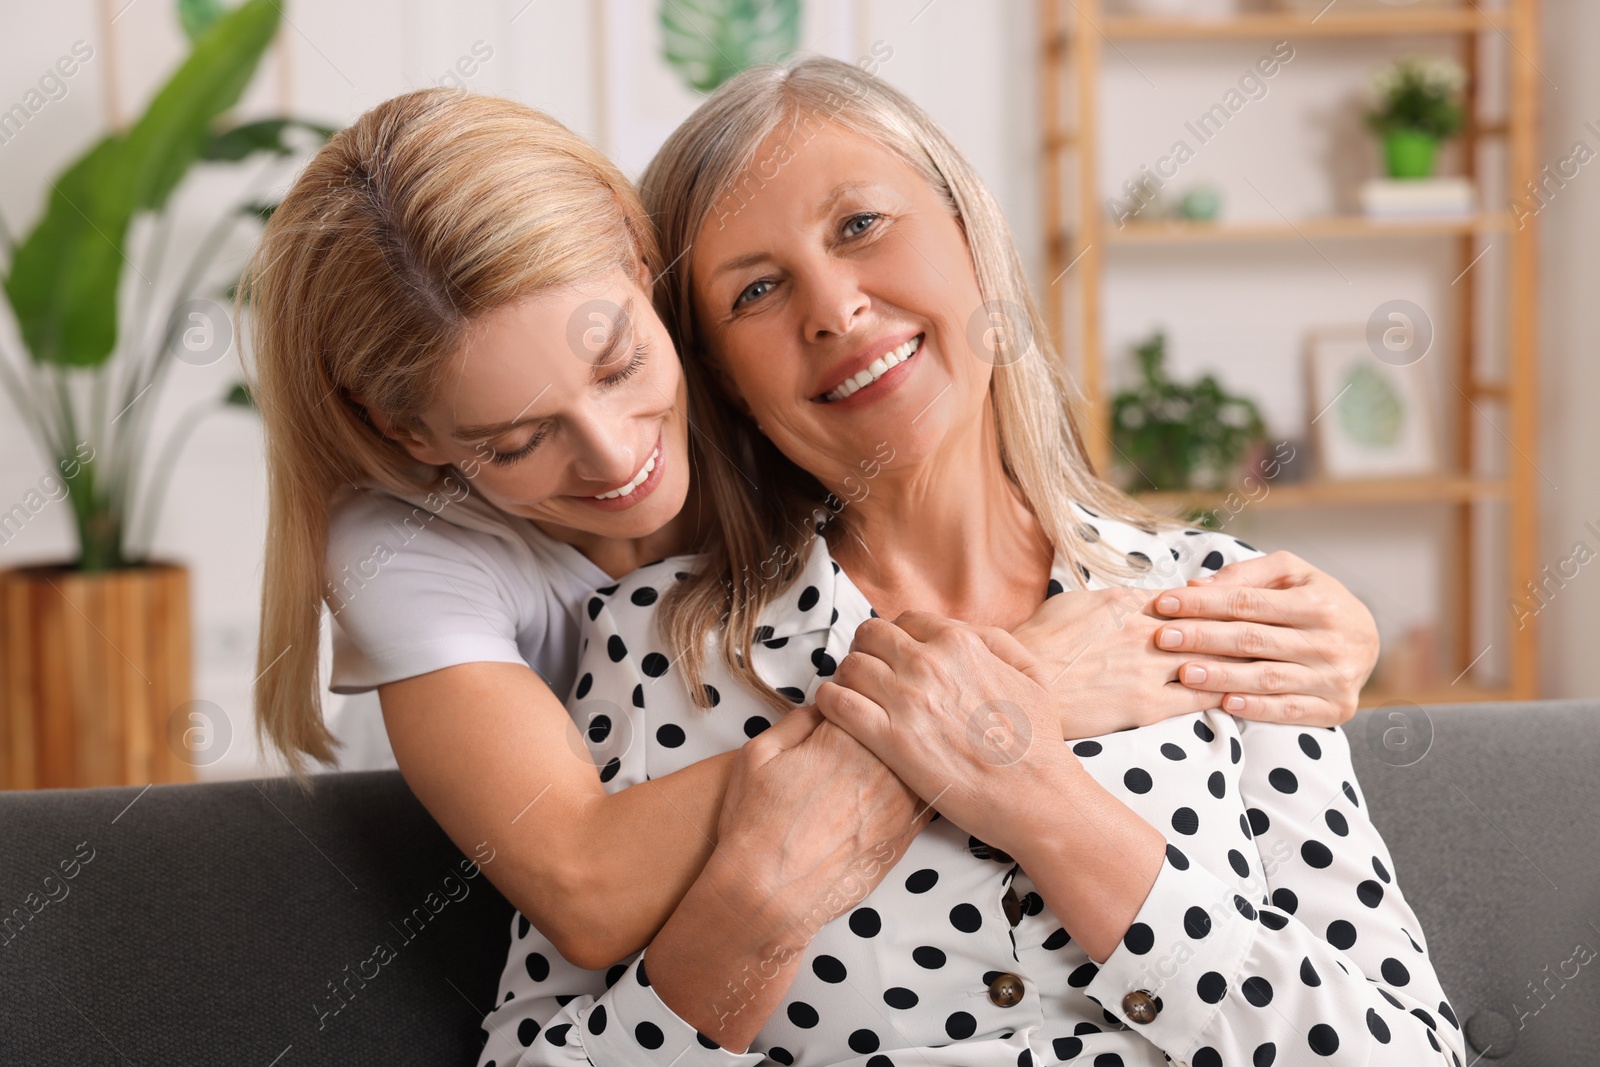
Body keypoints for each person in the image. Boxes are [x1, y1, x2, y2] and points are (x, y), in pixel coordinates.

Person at [245, 89, 1378, 984]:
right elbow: (583, 888)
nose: (610, 455)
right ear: (414, 434)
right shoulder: (448, 568)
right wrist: (1008, 696)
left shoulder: (1166, 588)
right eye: (519, 437)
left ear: (646, 286)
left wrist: (1337, 626)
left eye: (620, 366)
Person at [473, 58, 1463, 1067]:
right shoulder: (655, 647)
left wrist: (1040, 797)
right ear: (721, 381)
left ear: (970, 236)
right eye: (757, 290)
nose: (833, 308)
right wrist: (756, 907)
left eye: (859, 227)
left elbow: (1414, 1052)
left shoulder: (1216, 601)